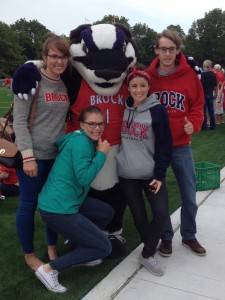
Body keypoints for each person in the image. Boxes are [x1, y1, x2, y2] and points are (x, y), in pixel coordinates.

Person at [36, 106, 113, 293]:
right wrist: (102, 154)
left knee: (106, 212)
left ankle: (77, 245)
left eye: (100, 124)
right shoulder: (81, 143)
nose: (97, 128)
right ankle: (49, 269)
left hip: (65, 202)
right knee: (104, 247)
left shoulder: (80, 138)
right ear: (82, 125)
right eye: (92, 124)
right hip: (59, 209)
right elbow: (84, 178)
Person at [13, 32, 71, 271]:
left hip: (55, 157)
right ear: (44, 57)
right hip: (33, 157)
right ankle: (29, 254)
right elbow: (19, 121)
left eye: (63, 56)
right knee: (28, 204)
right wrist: (27, 156)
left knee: (52, 205)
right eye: (54, 56)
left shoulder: (65, 82)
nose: (59, 61)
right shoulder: (31, 80)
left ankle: (51, 246)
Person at [147, 29, 206, 257]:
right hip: (156, 147)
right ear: (156, 50)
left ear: (178, 50)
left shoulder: (189, 75)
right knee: (158, 195)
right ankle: (166, 237)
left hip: (181, 145)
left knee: (189, 193)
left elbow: (198, 106)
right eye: (163, 49)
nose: (168, 53)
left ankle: (189, 235)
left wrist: (194, 123)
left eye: (172, 49)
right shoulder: (149, 76)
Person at [115, 67, 172, 276]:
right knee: (138, 215)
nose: (138, 90)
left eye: (142, 86)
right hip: (127, 174)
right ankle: (149, 253)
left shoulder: (157, 110)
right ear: (128, 88)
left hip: (151, 174)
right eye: (134, 86)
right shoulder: (124, 108)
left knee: (161, 213)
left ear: (149, 87)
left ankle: (146, 252)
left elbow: (165, 144)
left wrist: (159, 174)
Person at [200, 60, 217, 130]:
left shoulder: (202, 74)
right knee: (211, 110)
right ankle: (212, 125)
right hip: (210, 93)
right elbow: (215, 85)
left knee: (203, 111)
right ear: (210, 66)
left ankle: (204, 126)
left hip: (203, 94)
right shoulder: (213, 74)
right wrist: (216, 93)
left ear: (204, 66)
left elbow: (200, 86)